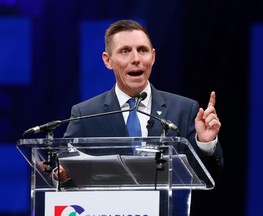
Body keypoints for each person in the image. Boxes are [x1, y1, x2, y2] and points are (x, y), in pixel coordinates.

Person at [61, 19, 223, 215]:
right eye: (125, 51)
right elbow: (64, 176)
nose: (136, 59)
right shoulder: (85, 114)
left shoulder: (185, 109)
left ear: (153, 56)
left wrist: (205, 144)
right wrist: (60, 172)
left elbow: (205, 178)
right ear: (107, 60)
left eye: (142, 50)